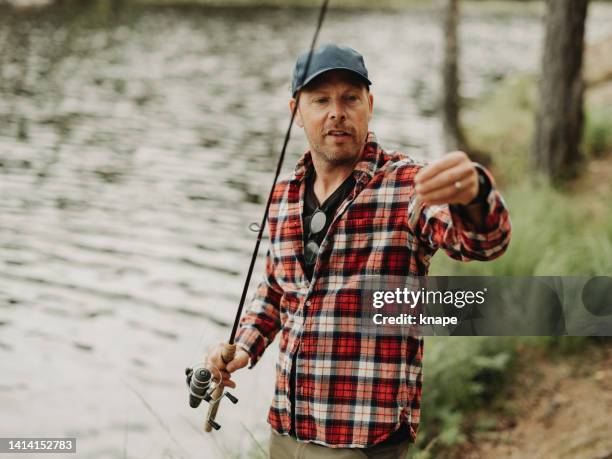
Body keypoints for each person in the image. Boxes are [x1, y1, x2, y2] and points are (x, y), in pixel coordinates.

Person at [208, 44, 512, 458]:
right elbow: (279, 288)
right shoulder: (283, 194)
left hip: (364, 437)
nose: (337, 112)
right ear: (296, 111)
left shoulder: (409, 184)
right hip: (287, 426)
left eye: (350, 98)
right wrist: (243, 347)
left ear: (370, 104)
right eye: (321, 100)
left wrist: (474, 197)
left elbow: (481, 243)